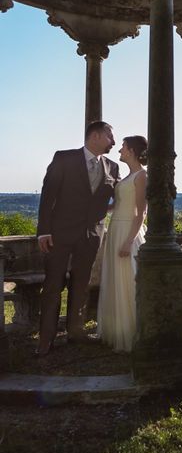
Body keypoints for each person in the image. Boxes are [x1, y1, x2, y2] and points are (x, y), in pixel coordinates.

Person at [36, 121, 119, 356]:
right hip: (59, 234)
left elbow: (114, 199)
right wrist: (44, 231)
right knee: (53, 285)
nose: (113, 142)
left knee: (81, 285)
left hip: (92, 235)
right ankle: (45, 339)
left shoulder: (112, 167)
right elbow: (48, 195)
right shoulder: (64, 158)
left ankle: (75, 332)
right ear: (95, 136)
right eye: (110, 137)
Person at [97, 135, 148, 353]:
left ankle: (134, 333)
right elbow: (116, 206)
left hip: (128, 231)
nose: (119, 150)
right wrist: (94, 212)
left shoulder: (142, 176)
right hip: (116, 228)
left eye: (123, 147)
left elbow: (141, 213)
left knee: (130, 280)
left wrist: (129, 241)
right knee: (115, 279)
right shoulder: (127, 176)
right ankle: (117, 330)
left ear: (133, 151)